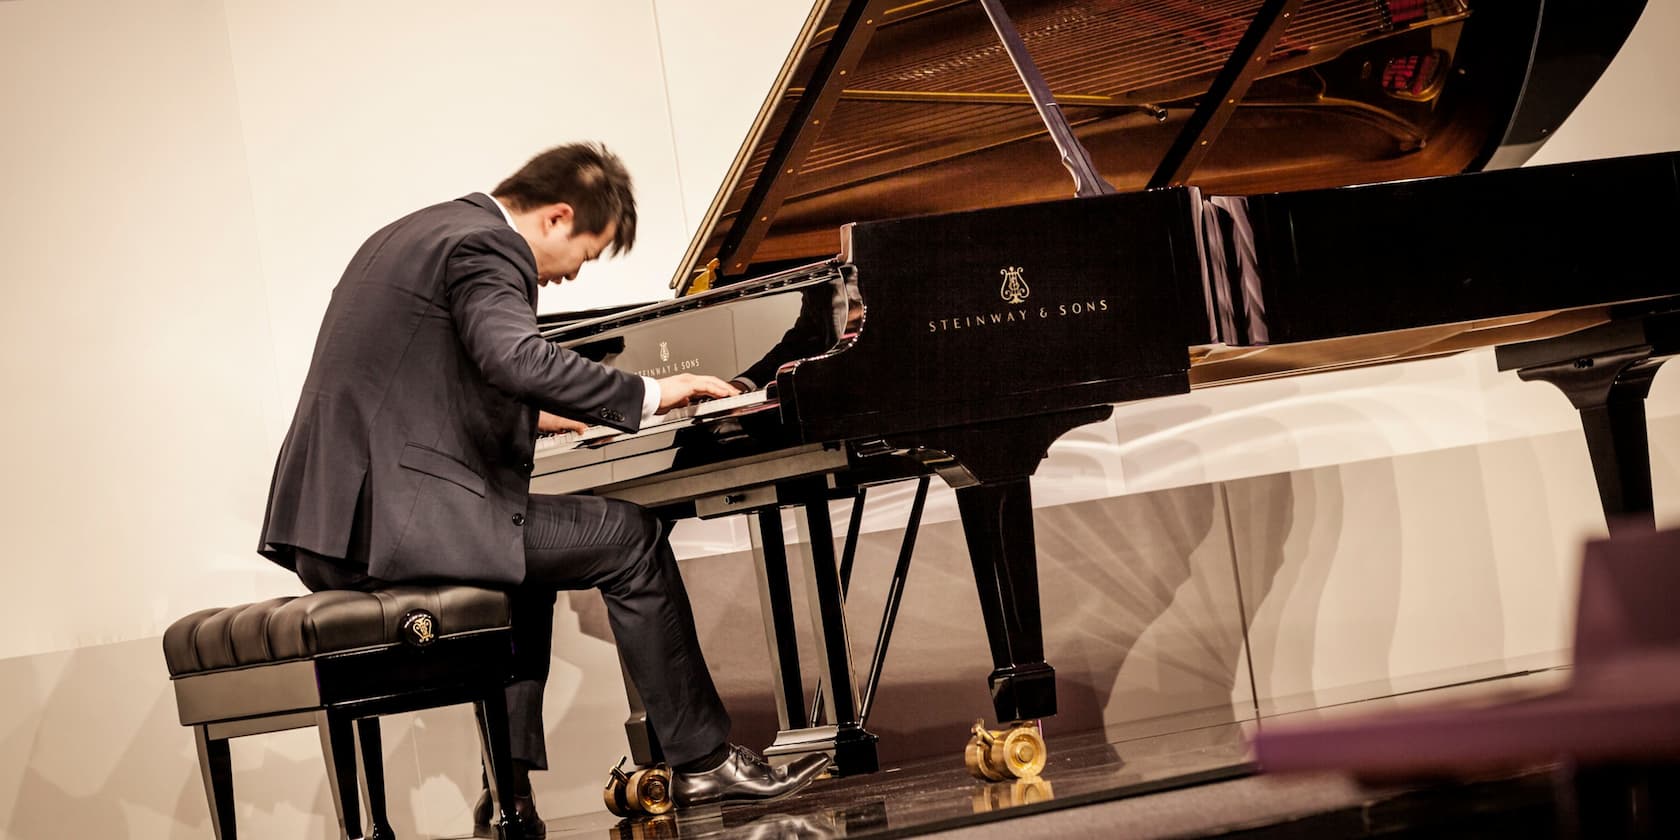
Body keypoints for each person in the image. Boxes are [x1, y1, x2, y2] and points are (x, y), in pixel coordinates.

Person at [257, 142, 830, 835]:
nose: (572, 275)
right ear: (558, 218)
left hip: (335, 525)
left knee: (521, 551)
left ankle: (508, 789)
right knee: (628, 538)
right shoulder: (488, 246)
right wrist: (649, 392)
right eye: (586, 254)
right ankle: (704, 761)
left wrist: (574, 419)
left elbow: (455, 381)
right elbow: (515, 357)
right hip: (394, 526)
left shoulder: (416, 233)